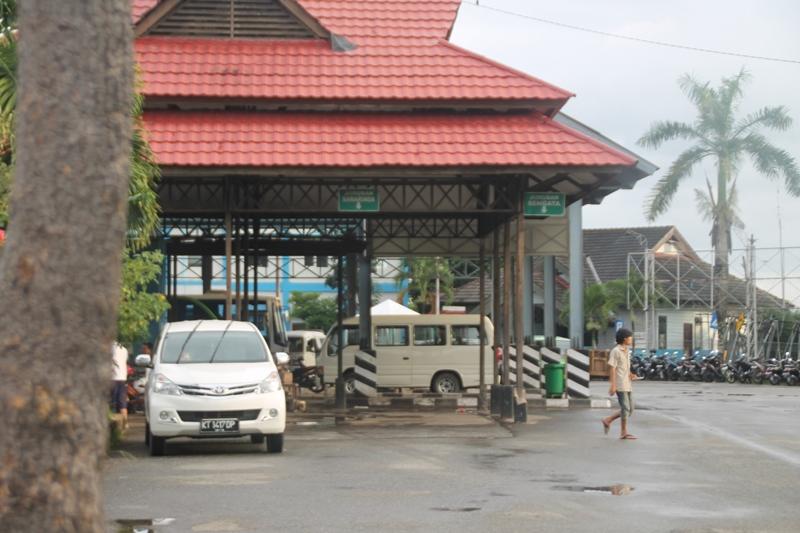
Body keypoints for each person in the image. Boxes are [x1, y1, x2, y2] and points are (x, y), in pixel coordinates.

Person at [602, 328, 637, 440]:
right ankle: (623, 432)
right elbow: (612, 368)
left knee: (630, 409)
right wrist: (613, 385)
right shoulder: (616, 351)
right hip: (620, 383)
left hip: (627, 383)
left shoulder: (626, 350)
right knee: (625, 408)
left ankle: (608, 420)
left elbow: (625, 366)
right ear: (624, 338)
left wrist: (631, 374)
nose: (631, 339)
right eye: (630, 337)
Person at [111, 342, 129, 430]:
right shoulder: (124, 349)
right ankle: (125, 424)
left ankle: (114, 428)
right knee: (122, 403)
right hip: (122, 377)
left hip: (113, 378)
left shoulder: (110, 347)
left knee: (112, 402)